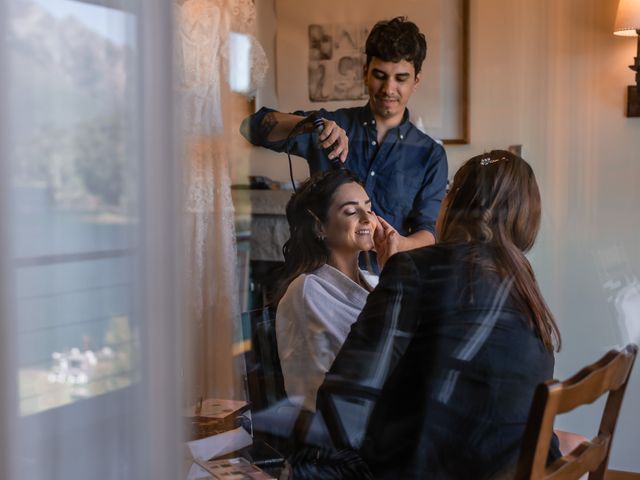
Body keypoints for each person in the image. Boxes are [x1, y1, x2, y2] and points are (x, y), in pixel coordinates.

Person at [316, 150, 563, 479]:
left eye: (447, 192)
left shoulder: (416, 268)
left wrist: (398, 277)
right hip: (510, 462)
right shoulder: (518, 274)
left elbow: (346, 393)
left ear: (455, 204)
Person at [241, 17, 447, 257]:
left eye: (401, 79)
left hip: (387, 279)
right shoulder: (327, 126)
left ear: (416, 81)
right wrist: (311, 124)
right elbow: (252, 127)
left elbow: (427, 233)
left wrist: (396, 244)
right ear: (365, 73)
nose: (388, 89)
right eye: (380, 75)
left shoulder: (430, 154)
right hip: (323, 274)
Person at [274, 169, 396, 413]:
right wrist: (394, 278)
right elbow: (364, 365)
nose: (367, 219)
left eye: (369, 208)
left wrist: (390, 273)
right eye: (351, 211)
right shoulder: (308, 290)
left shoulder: (374, 280)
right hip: (338, 428)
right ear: (320, 226)